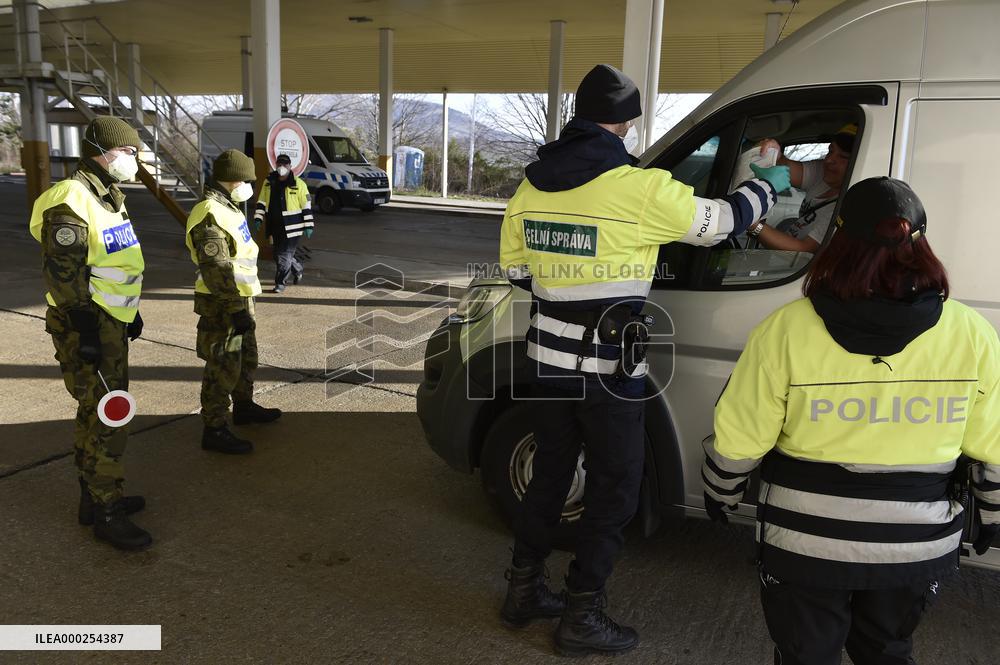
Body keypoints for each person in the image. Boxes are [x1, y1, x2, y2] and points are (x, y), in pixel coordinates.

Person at [497, 63, 792, 657]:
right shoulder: (640, 188)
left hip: (545, 365)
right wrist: (762, 180)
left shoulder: (531, 188)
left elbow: (517, 272)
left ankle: (523, 590)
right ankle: (582, 616)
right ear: (627, 124)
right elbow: (724, 223)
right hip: (608, 375)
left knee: (552, 477)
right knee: (614, 490)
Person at [702, 177, 1000, 665]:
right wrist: (993, 513)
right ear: (921, 245)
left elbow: (740, 438)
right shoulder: (973, 335)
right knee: (887, 652)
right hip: (915, 547)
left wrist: (722, 492)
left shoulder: (787, 329)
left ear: (837, 243)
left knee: (805, 656)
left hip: (803, 544)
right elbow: (993, 444)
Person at [28, 116, 151, 550]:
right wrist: (87, 333)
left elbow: (112, 259)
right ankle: (107, 511)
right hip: (88, 323)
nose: (135, 159)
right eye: (130, 152)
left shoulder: (107, 195)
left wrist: (128, 311)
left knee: (95, 411)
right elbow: (64, 275)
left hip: (109, 319)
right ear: (106, 150)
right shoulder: (72, 200)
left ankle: (92, 497)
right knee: (111, 415)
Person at [186, 149, 282, 455]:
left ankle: (243, 406)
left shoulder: (230, 207)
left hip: (240, 301)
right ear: (234, 178)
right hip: (222, 305)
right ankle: (213, 428)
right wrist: (235, 308)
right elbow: (217, 270)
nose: (250, 185)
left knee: (246, 359)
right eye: (248, 179)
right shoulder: (209, 213)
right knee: (222, 366)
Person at [746, 124, 857, 253]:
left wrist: (752, 222)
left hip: (797, 269)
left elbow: (804, 249)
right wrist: (774, 153)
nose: (829, 160)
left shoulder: (848, 207)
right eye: (831, 151)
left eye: (843, 156)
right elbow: (786, 168)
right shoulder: (823, 173)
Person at [253, 153, 314, 293]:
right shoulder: (268, 182)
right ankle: (297, 269)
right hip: (275, 226)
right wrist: (258, 218)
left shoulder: (299, 184)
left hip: (293, 227)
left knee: (283, 256)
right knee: (278, 254)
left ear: (290, 166)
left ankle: (280, 283)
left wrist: (309, 225)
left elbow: (306, 206)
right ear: (275, 165)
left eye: (285, 165)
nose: (282, 167)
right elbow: (262, 202)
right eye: (279, 164)